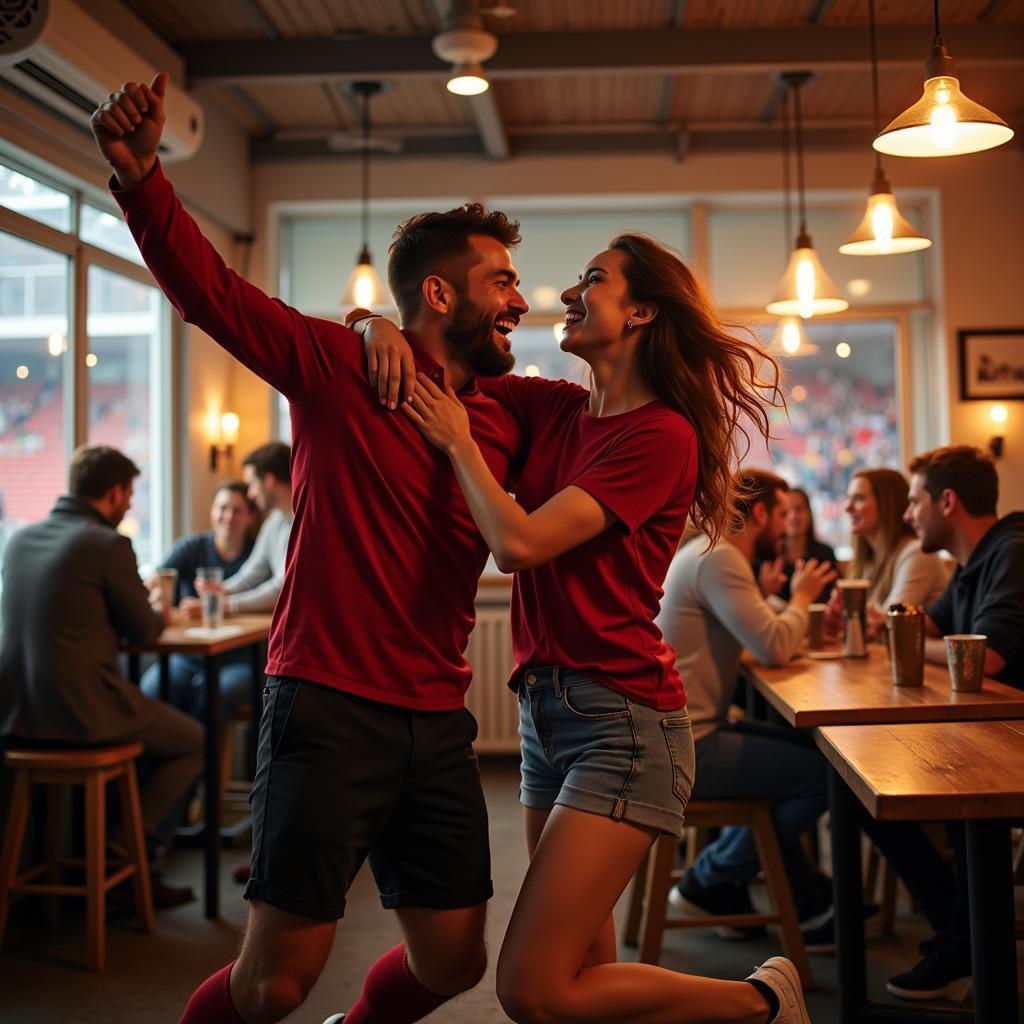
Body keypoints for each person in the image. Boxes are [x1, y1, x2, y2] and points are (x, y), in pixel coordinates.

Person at [94, 74, 532, 1024]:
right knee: (273, 985)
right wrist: (141, 182)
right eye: (503, 282)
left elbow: (622, 400)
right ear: (440, 291)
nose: (523, 302)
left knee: (456, 962)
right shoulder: (341, 368)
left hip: (436, 715)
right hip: (326, 704)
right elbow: (214, 296)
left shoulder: (507, 414)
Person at [354, 236, 813, 1022]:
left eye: (594, 280)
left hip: (624, 725)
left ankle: (759, 1002)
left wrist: (459, 443)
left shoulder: (661, 434)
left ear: (640, 311)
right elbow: (443, 373)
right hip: (547, 715)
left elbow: (519, 543)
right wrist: (373, 324)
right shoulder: (556, 409)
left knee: (531, 987)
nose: (570, 292)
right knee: (578, 978)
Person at [0, 445, 201, 905]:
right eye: (129, 496)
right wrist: (155, 603)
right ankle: (129, 852)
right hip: (83, 711)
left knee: (153, 724)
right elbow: (146, 629)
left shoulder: (19, 539)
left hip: (16, 715)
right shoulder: (108, 544)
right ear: (114, 493)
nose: (130, 505)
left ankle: (116, 855)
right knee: (191, 739)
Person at [656, 470, 837, 947]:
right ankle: (710, 878)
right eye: (781, 515)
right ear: (759, 513)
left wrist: (785, 606)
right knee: (828, 772)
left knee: (815, 754)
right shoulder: (721, 558)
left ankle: (784, 891)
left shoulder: (704, 552)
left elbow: (759, 633)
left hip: (679, 734)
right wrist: (802, 597)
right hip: (688, 747)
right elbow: (773, 646)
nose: (787, 528)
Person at [870, 445, 1024, 1002]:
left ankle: (967, 948)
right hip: (994, 734)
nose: (908, 515)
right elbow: (925, 626)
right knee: (866, 781)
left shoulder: (1012, 550)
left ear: (947, 501)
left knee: (925, 783)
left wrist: (900, 637)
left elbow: (989, 656)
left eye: (914, 502)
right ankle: (959, 936)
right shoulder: (971, 563)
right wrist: (891, 626)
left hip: (1011, 745)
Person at [138, 480, 257, 718]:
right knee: (150, 691)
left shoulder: (257, 555)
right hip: (189, 655)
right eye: (222, 508)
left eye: (237, 510)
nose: (228, 516)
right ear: (212, 511)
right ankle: (172, 753)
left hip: (238, 657)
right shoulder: (192, 546)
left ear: (251, 517)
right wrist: (157, 592)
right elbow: (159, 578)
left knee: (214, 697)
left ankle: (202, 753)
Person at [824, 468, 947, 641]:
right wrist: (840, 619)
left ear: (887, 503)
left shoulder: (918, 553)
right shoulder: (868, 561)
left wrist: (849, 621)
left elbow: (886, 626)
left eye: (859, 498)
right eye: (848, 498)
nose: (847, 507)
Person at [181, 442, 293, 622]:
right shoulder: (273, 523)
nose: (250, 494)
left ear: (269, 481)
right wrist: (221, 590)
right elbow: (251, 574)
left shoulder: (304, 523)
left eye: (252, 484)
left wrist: (221, 605)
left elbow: (282, 588)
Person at [758, 487, 836, 604]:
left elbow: (832, 599)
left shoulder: (824, 553)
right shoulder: (766, 558)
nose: (793, 516)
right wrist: (764, 592)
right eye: (786, 512)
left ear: (809, 513)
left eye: (799, 509)